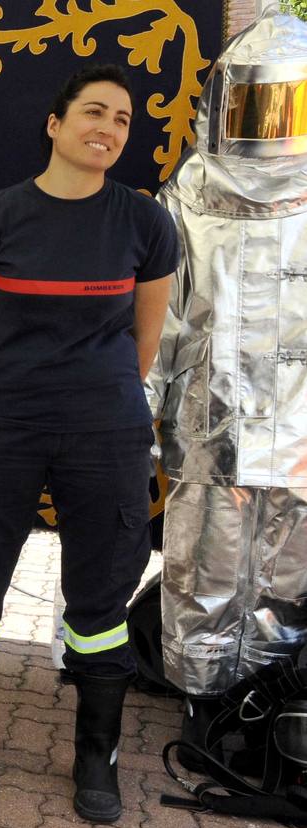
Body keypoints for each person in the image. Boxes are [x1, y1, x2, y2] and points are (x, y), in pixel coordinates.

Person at [0, 64, 179, 824]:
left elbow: (144, 342)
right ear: (54, 125)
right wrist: (22, 392)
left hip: (108, 432)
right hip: (6, 427)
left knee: (100, 602)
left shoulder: (146, 224)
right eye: (95, 112)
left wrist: (91, 397)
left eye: (123, 119)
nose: (110, 128)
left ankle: (98, 757)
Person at [146, 7, 307, 764]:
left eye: (289, 103)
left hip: (303, 429)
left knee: (287, 571)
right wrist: (137, 406)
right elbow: (157, 317)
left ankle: (274, 707)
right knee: (202, 564)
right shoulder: (187, 197)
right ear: (224, 102)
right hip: (212, 427)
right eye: (256, 102)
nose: (271, 122)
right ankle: (203, 700)